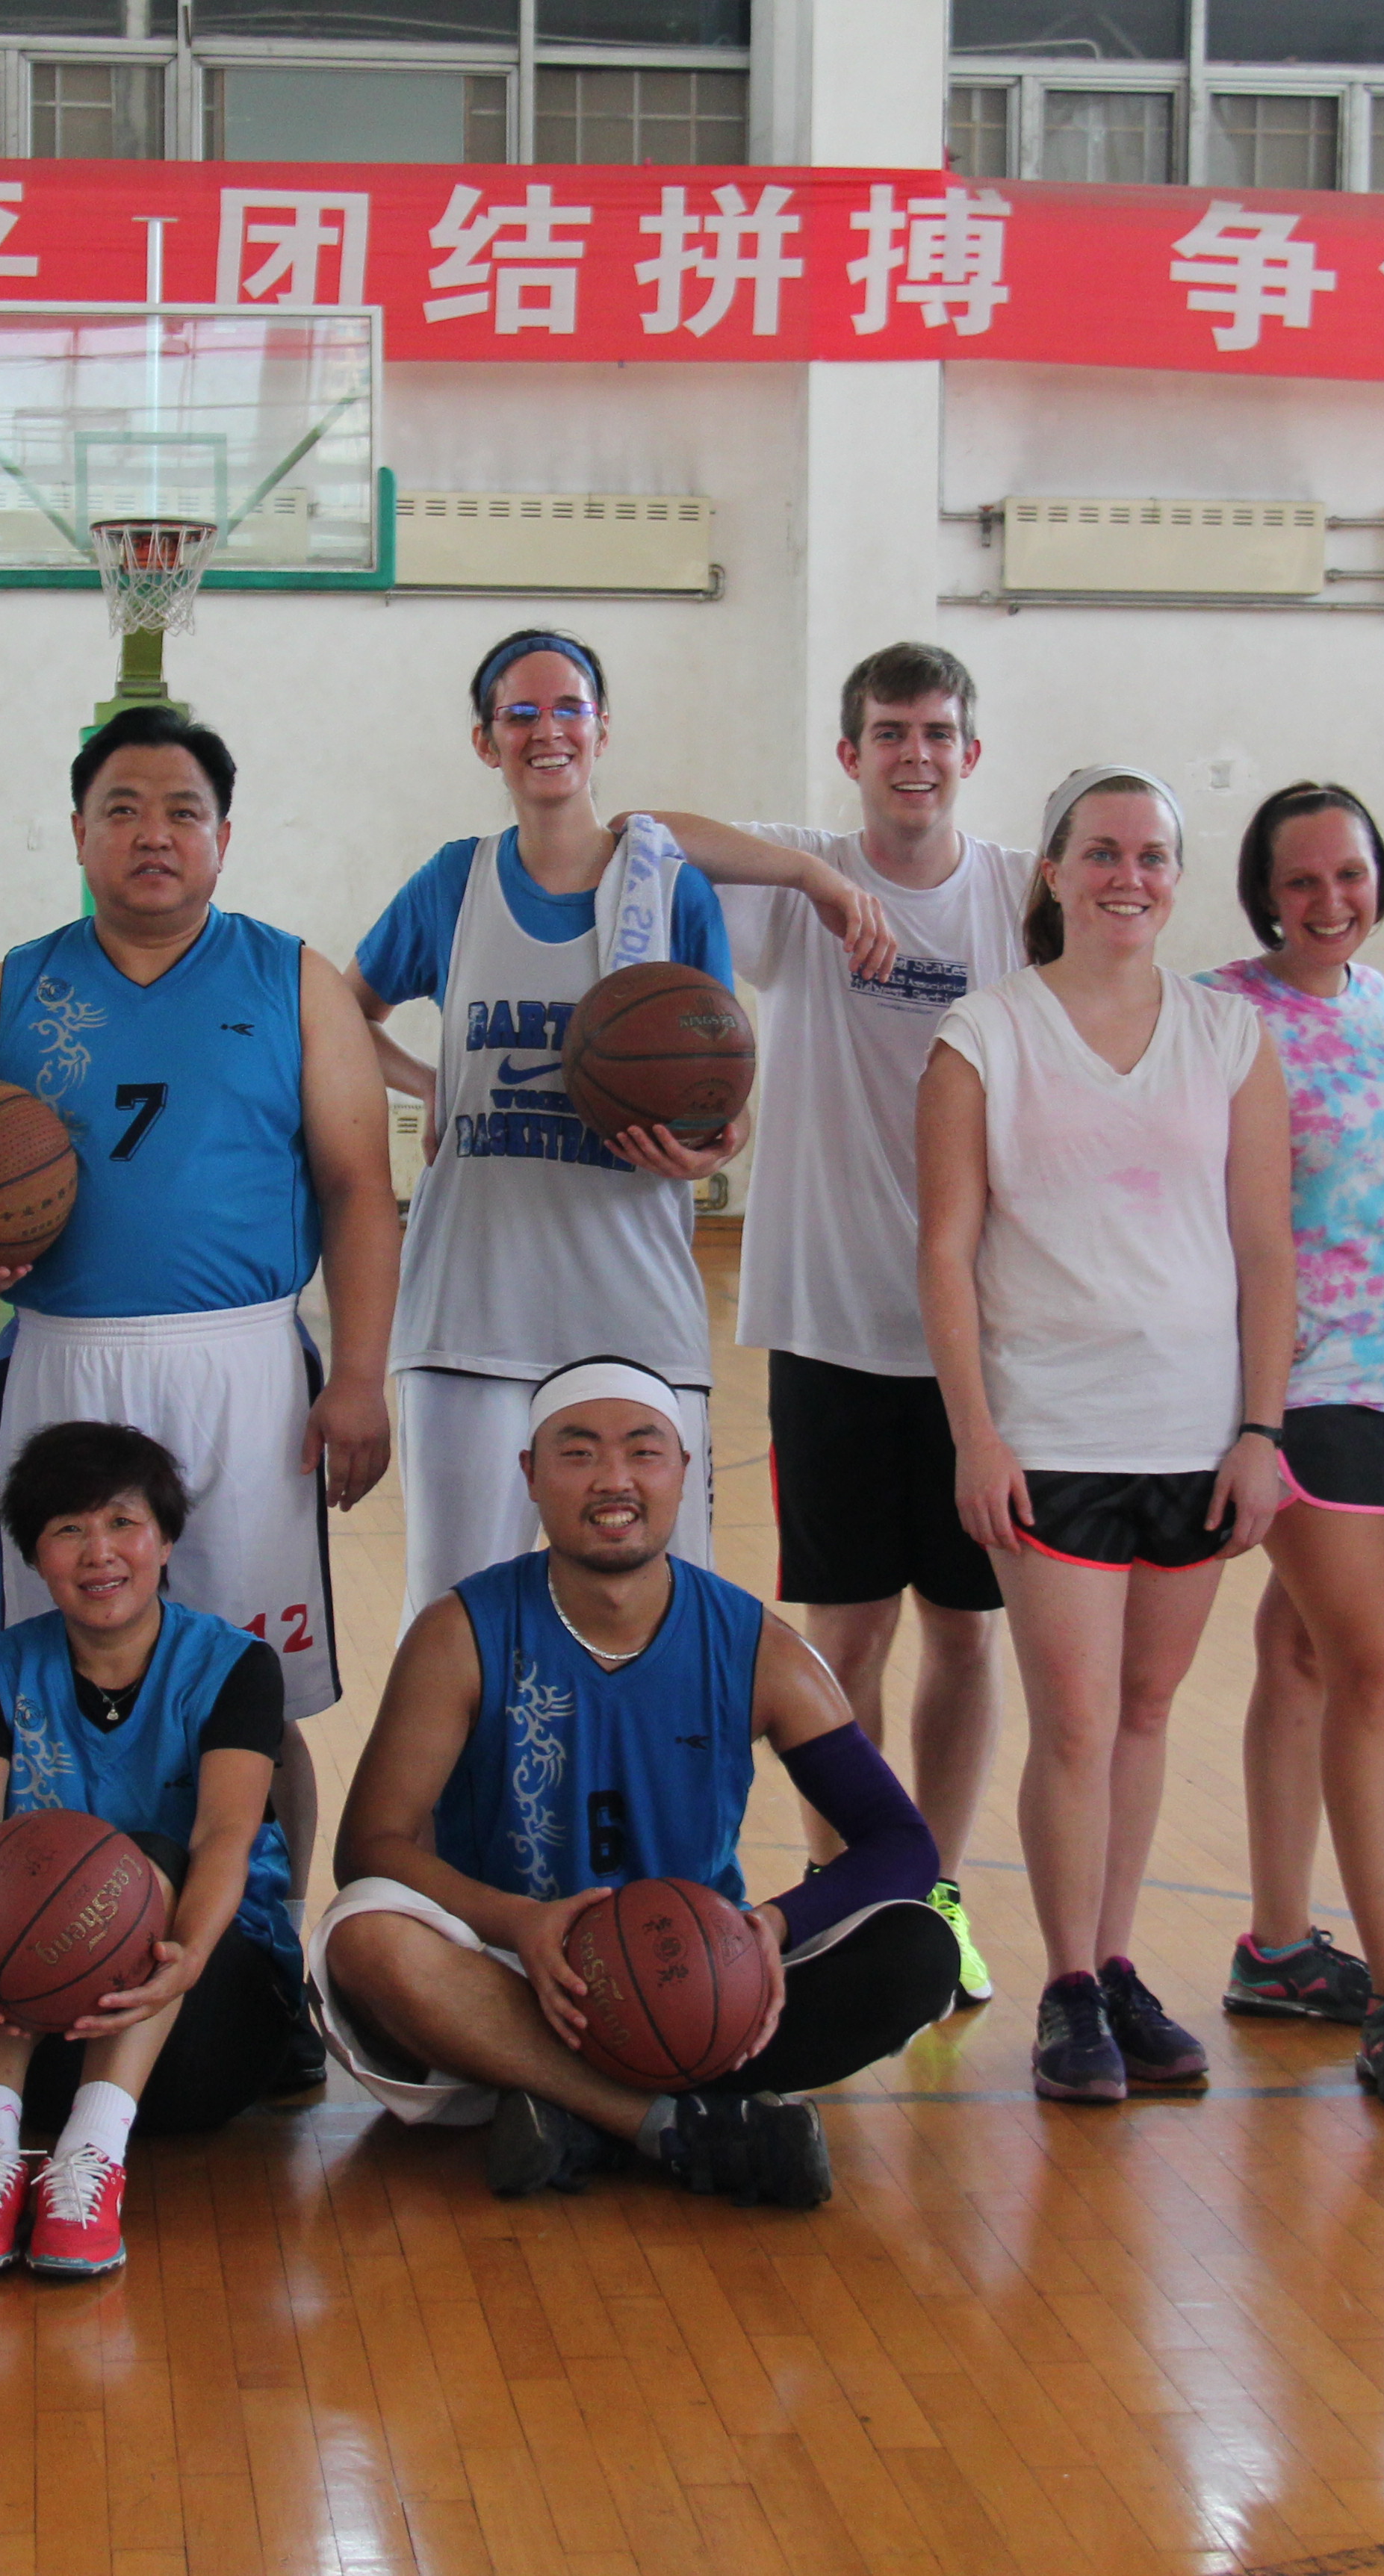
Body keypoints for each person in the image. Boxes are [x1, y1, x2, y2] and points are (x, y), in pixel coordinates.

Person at [0, 706, 401, 1899]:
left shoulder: (295, 981)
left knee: (254, 1690)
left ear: (224, 836)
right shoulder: (9, 992)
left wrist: (358, 1376)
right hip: (62, 1362)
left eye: (184, 811)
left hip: (243, 1370)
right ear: (79, 832)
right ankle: (56, 1931)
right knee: (56, 1674)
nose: (153, 834)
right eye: (121, 810)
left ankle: (269, 1947)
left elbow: (357, 1186)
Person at [619, 642, 1031, 2015]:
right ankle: (846, 1889)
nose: (915, 753)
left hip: (985, 1344)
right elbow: (639, 833)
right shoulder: (800, 882)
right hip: (830, 1325)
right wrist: (809, 878)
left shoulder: (1015, 894)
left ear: (970, 753)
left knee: (965, 1639)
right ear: (850, 755)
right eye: (888, 732)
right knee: (839, 1643)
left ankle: (937, 1893)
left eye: (937, 731)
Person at [312, 1359, 961, 2209]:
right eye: (578, 1453)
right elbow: (371, 1847)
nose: (613, 1480)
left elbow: (903, 1844)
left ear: (684, 1471)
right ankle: (673, 2125)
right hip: (511, 1977)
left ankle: (564, 2107)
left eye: (643, 1452)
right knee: (363, 1938)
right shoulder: (460, 1632)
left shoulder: (758, 1648)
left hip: (697, 1984)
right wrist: (521, 1923)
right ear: (530, 1475)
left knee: (921, 1950)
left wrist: (770, 1927)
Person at [345, 630, 892, 1619]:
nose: (547, 730)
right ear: (485, 742)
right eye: (520, 713)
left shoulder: (668, 887)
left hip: (633, 1312)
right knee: (457, 1625)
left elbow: (721, 1090)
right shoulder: (453, 883)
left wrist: (716, 1138)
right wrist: (437, 1087)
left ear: (603, 730)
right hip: (469, 1310)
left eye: (571, 708)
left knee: (652, 1623)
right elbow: (346, 1016)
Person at [918, 768, 1289, 2108]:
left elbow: (1264, 1247)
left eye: (1150, 856)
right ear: (1055, 873)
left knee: (1142, 1712)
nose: (1126, 876)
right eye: (1101, 853)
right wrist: (975, 1432)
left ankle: (1119, 1964)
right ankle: (1066, 1985)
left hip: (1192, 1429)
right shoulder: (984, 1034)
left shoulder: (1230, 1037)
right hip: (1050, 1429)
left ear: (1175, 880)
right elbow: (945, 1250)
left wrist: (1259, 1428)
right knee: (1072, 1722)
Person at [1197, 784, 1384, 2116]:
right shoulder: (1220, 1014)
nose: (1326, 901)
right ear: (1262, 890)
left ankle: (1277, 1945)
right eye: (1299, 880)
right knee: (1372, 1668)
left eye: (1347, 875)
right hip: (1301, 1389)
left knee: (1302, 1652)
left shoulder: (1380, 1005)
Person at [0, 1422, 320, 2280]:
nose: (99, 1553)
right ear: (36, 1555)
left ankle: (92, 2157)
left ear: (166, 1540)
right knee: (1, 1900)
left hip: (209, 2012)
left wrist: (184, 1959)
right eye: (69, 1530)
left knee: (138, 1861)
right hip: (41, 2035)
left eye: (122, 1524)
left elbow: (223, 1836)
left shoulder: (236, 1666)